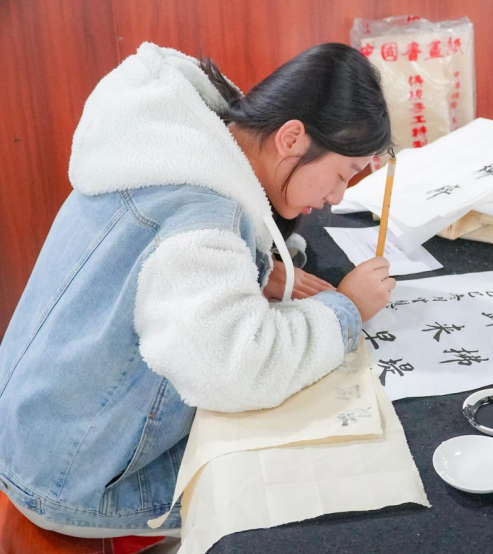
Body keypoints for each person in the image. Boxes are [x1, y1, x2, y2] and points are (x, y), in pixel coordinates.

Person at [0, 41, 394, 537]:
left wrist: (256, 263)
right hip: (78, 481)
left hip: (33, 433)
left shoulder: (167, 142)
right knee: (324, 484)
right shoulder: (202, 214)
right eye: (342, 174)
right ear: (292, 137)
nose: (336, 197)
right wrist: (347, 308)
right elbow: (233, 371)